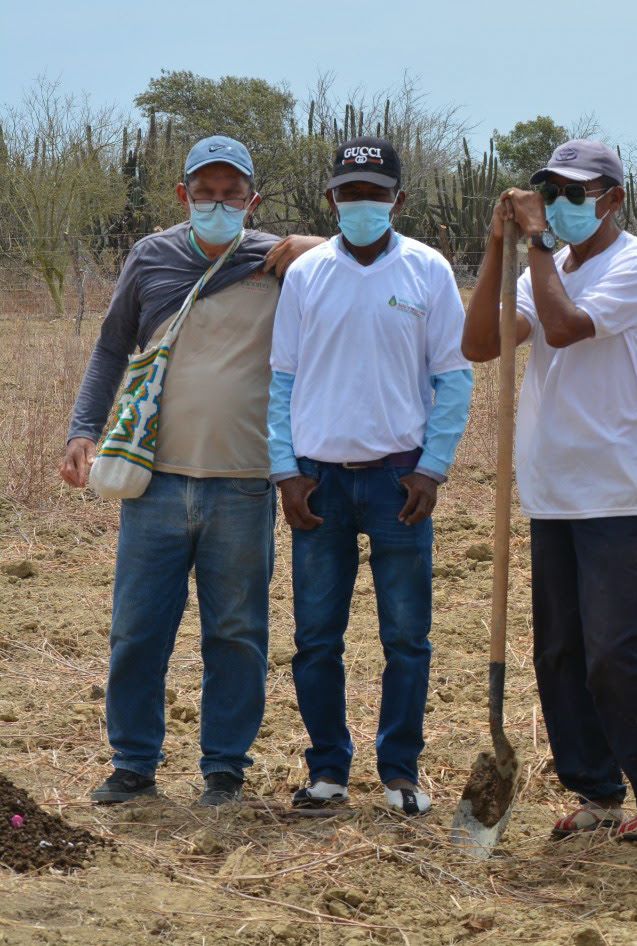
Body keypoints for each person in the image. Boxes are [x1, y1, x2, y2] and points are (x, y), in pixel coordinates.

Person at [61, 136, 319, 807]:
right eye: (204, 192)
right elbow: (112, 347)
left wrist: (311, 243)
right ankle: (133, 763)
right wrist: (82, 430)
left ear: (252, 200)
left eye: (232, 194)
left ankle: (224, 771)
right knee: (137, 628)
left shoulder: (277, 260)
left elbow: (358, 267)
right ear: (183, 196)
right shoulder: (152, 258)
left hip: (243, 482)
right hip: (155, 481)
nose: (217, 203)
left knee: (236, 633)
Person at [459, 139, 637, 842]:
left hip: (618, 485)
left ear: (612, 199)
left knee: (613, 648)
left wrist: (533, 238)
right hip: (552, 486)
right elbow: (480, 344)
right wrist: (499, 246)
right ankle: (595, 792)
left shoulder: (636, 264)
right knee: (557, 649)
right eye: (550, 193)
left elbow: (563, 327)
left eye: (575, 193)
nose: (560, 205)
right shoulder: (541, 267)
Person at [268, 137, 473, 816]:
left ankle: (400, 773)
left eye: (375, 192)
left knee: (406, 638)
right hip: (318, 483)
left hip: (399, 484)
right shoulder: (306, 276)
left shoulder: (429, 271)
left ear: (398, 200)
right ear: (331, 198)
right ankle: (327, 770)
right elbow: (282, 383)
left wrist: (433, 468)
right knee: (316, 638)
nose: (362, 203)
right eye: (350, 192)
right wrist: (285, 472)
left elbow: (453, 378)